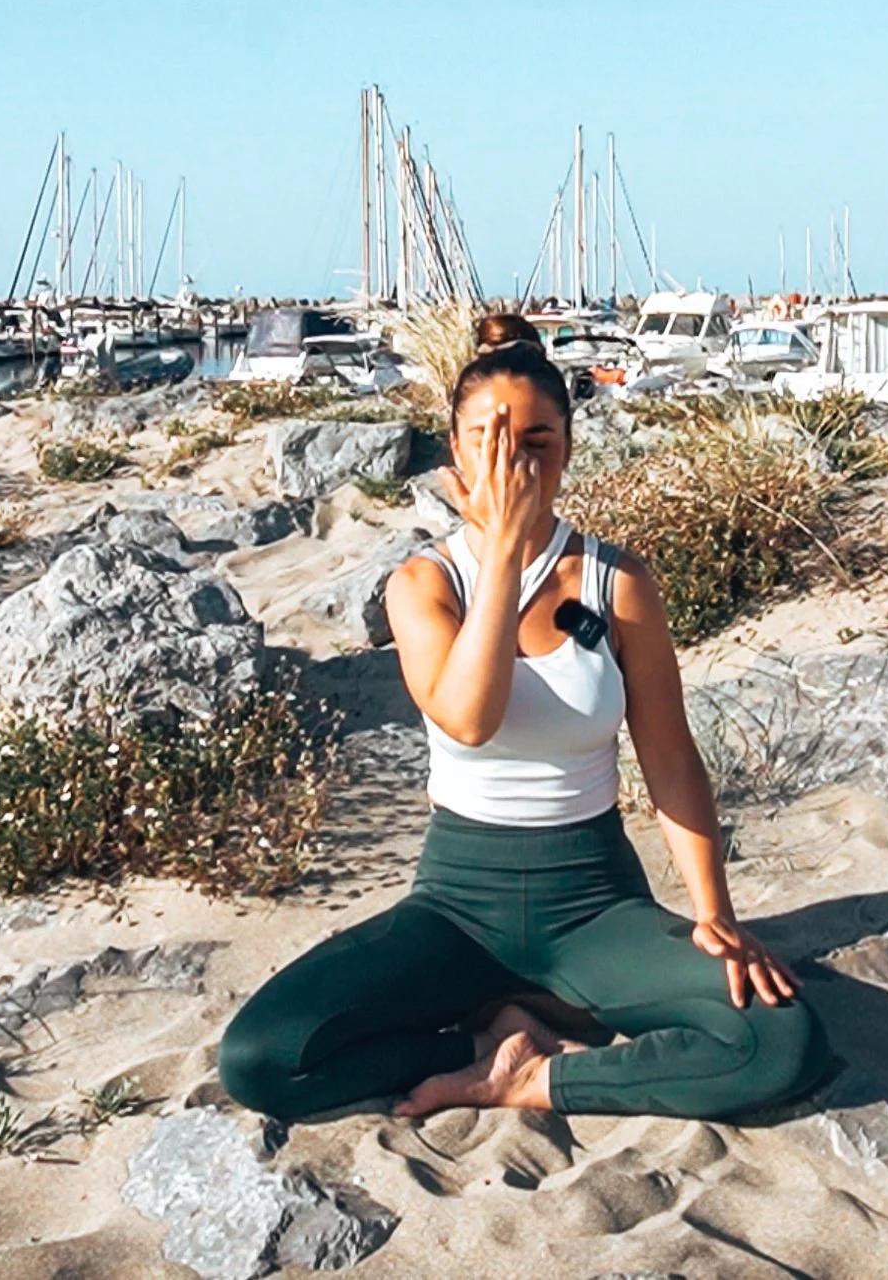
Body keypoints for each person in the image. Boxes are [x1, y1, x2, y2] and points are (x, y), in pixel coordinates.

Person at [219, 314, 832, 1121]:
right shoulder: (424, 585)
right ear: (455, 453)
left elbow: (671, 756)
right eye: (489, 438)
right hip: (454, 908)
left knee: (784, 1041)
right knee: (260, 1061)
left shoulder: (618, 582)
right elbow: (470, 719)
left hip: (592, 905)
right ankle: (479, 1049)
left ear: (570, 448)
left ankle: (538, 1077)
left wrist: (715, 913)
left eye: (538, 440)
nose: (514, 460)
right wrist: (503, 550)